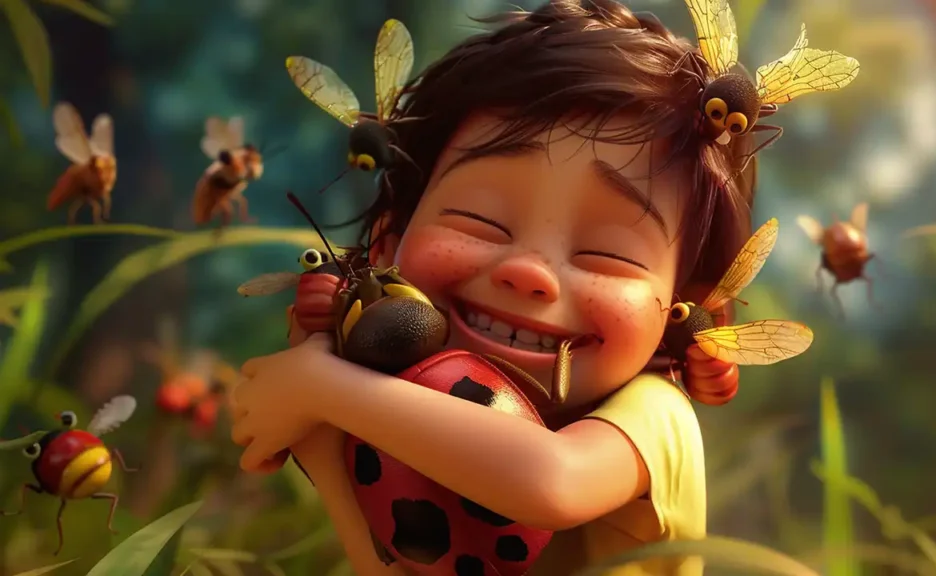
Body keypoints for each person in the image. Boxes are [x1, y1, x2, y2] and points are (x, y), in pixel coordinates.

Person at [230, 1, 759, 574]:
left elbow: (550, 482)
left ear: (686, 307)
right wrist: (320, 430)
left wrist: (323, 390)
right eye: (479, 220)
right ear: (389, 242)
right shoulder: (403, 410)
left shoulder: (656, 416)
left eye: (606, 253)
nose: (529, 271)